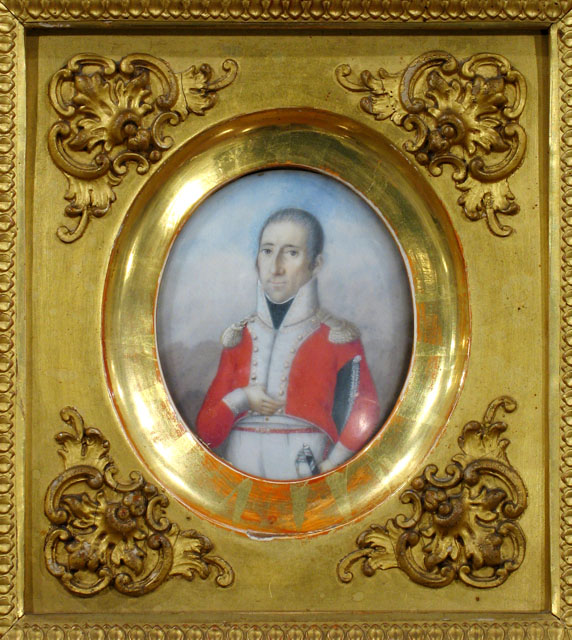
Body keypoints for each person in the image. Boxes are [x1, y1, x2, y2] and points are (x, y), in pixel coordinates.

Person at [196, 208, 380, 480]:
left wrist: (332, 464)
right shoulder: (239, 337)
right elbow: (207, 433)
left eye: (292, 253)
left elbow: (366, 409)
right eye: (267, 251)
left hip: (306, 469)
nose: (276, 267)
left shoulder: (337, 337)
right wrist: (242, 399)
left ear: (315, 264)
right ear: (257, 259)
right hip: (239, 472)